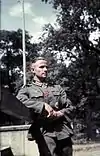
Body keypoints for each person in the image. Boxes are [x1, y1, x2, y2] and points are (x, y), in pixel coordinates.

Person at [16, 56, 75, 156]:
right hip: (44, 131)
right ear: (33, 70)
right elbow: (19, 102)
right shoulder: (27, 89)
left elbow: (70, 107)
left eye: (46, 67)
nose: (46, 69)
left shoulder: (57, 88)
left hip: (62, 131)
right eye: (42, 67)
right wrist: (42, 106)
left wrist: (59, 113)